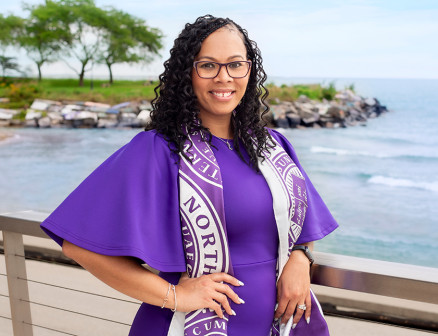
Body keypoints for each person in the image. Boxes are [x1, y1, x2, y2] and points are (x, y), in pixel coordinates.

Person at [41, 15, 338, 336]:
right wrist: (176, 296)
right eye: (208, 65)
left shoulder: (272, 146)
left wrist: (301, 258)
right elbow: (79, 244)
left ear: (249, 71)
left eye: (236, 64)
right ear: (188, 73)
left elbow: (303, 224)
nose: (224, 78)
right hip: (189, 325)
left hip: (282, 322)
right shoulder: (159, 150)